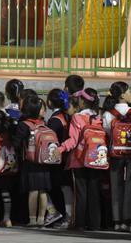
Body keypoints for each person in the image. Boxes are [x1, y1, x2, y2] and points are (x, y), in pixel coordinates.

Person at [57, 90, 103, 231]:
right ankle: (95, 224)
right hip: (96, 159)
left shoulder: (77, 117)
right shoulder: (97, 117)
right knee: (94, 192)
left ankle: (80, 223)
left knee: (81, 193)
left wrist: (61, 148)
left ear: (82, 102)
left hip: (79, 159)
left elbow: (74, 140)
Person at [12, 93, 61, 227]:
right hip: (44, 163)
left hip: (30, 163)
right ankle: (41, 219)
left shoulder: (24, 125)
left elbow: (16, 144)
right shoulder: (44, 124)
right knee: (43, 191)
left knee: (33, 191)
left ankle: (32, 219)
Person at [103, 81, 131, 232]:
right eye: (129, 91)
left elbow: (108, 133)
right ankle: (129, 221)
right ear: (122, 95)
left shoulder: (108, 114)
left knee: (116, 186)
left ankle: (117, 221)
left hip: (115, 154)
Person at [45, 89, 72, 223]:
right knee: (66, 187)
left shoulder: (54, 120)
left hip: (57, 158)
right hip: (68, 156)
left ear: (49, 102)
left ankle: (61, 214)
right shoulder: (67, 116)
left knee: (56, 187)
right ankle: (68, 215)